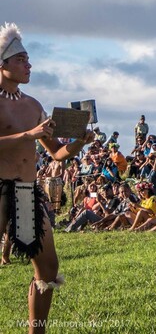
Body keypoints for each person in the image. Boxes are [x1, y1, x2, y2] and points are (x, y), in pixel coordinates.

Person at [0, 22, 95, 333]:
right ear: (3, 65)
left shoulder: (32, 105)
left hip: (26, 192)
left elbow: (56, 153)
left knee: (48, 268)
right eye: (21, 60)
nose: (29, 65)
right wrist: (30, 134)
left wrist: (80, 142)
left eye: (28, 59)